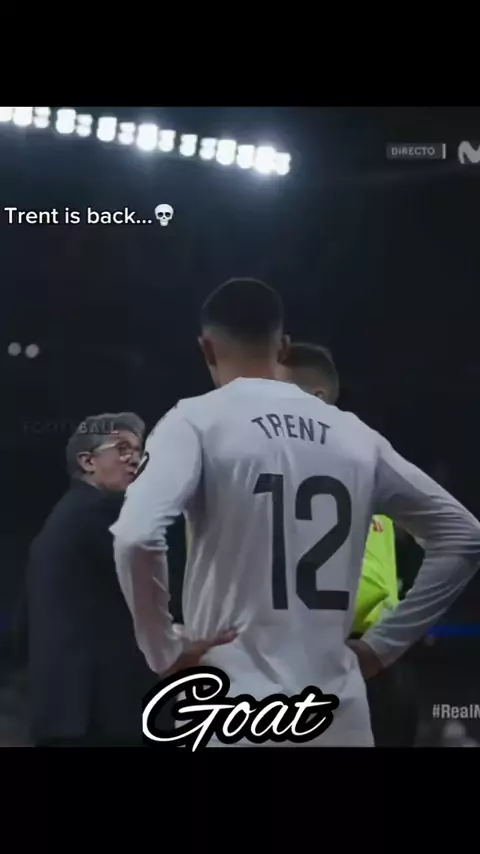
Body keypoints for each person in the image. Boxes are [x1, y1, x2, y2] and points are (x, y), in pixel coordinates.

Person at [111, 279, 480, 747]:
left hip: (232, 711)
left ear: (206, 348)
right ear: (283, 347)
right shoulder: (355, 435)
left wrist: (163, 650)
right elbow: (464, 536)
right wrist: (381, 648)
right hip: (336, 716)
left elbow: (136, 537)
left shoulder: (194, 420)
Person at [278, 341, 417, 745]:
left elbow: (457, 538)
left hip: (358, 662)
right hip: (344, 661)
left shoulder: (364, 460)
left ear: (318, 397)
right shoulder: (370, 459)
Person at [27, 413, 159, 746]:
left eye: (138, 450)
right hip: (101, 715)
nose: (135, 459)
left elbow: (21, 623)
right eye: (122, 448)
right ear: (88, 462)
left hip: (64, 712)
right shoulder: (102, 515)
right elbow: (148, 600)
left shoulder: (61, 518)